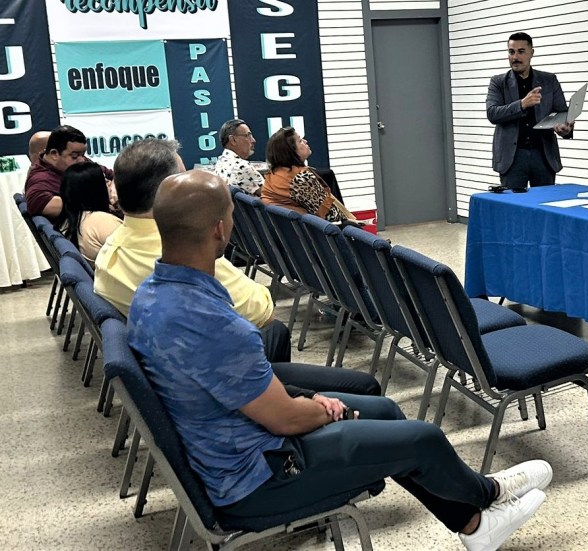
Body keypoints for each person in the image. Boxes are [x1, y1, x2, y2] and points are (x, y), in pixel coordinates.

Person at [128, 169, 551, 551]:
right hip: (259, 480)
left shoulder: (151, 295)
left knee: (386, 410)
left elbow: (241, 388)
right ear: (220, 228)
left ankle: (474, 524)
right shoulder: (214, 324)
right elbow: (286, 420)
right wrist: (322, 411)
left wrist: (312, 401)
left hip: (234, 444)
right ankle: (487, 495)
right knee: (423, 439)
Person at [92, 138, 376, 399]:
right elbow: (261, 310)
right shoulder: (183, 254)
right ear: (168, 193)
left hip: (172, 374)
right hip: (215, 379)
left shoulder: (111, 249)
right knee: (280, 332)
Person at [486, 32, 574, 190]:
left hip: (543, 155)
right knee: (513, 203)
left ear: (532, 53)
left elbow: (562, 113)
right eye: (511, 52)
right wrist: (522, 104)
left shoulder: (549, 80)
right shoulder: (498, 82)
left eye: (521, 51)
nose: (515, 57)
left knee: (544, 202)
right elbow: (492, 113)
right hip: (512, 157)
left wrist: (565, 129)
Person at [261, 127, 356, 224]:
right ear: (290, 151)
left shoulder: (273, 174)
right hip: (315, 229)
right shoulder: (300, 178)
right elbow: (332, 216)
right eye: (300, 141)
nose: (305, 141)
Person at [24, 125, 114, 219]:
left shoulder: (79, 161)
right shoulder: (40, 179)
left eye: (83, 154)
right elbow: (38, 203)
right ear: (54, 154)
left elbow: (114, 175)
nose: (82, 160)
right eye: (74, 156)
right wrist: (101, 198)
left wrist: (114, 191)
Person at [59, 161, 123, 263]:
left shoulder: (70, 219)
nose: (109, 184)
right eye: (105, 181)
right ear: (97, 189)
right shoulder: (102, 221)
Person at [212, 118, 264, 195]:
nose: (253, 140)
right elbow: (272, 195)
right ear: (233, 140)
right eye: (248, 136)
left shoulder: (221, 162)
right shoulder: (242, 167)